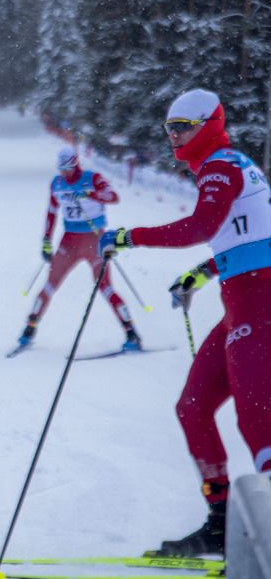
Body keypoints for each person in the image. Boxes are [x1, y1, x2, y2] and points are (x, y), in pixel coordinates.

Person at [99, 88, 271, 556]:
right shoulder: (228, 166)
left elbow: (201, 227)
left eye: (183, 128)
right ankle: (220, 523)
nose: (175, 138)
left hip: (261, 304)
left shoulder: (221, 165)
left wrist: (126, 236)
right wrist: (204, 271)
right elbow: (250, 231)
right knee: (193, 407)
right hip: (242, 302)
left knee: (257, 420)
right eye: (168, 129)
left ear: (209, 124)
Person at [17, 146, 141, 350]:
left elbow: (113, 197)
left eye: (68, 167)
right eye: (61, 168)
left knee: (105, 286)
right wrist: (46, 240)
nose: (64, 172)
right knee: (50, 284)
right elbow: (51, 212)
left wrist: (90, 194)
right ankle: (29, 330)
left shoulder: (93, 178)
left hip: (94, 239)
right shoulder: (57, 184)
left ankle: (131, 333)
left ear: (76, 164)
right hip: (69, 241)